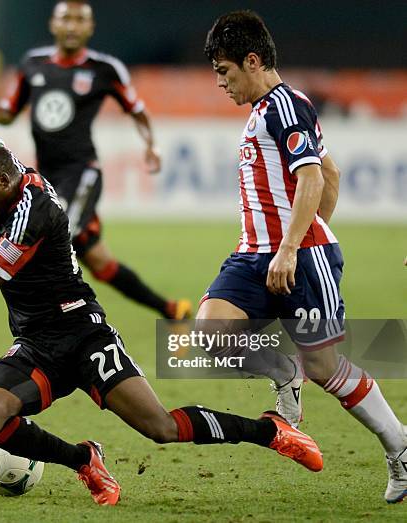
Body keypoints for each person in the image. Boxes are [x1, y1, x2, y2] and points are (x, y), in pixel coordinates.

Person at [0, 32, 325, 507]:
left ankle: (270, 432)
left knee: (160, 427)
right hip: (38, 342)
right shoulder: (5, 168)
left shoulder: (31, 215)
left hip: (83, 333)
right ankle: (84, 459)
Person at [200, 10, 406, 503]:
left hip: (298, 257)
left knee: (326, 367)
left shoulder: (285, 106)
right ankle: (282, 373)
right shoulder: (262, 111)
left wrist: (298, 244)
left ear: (253, 61)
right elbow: (330, 172)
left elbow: (314, 177)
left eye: (225, 73)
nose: (222, 85)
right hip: (253, 255)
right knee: (209, 335)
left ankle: (399, 447)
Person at [0, 0, 191, 321]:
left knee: (55, 233)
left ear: (90, 28)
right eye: (66, 19)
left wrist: (152, 146)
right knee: (98, 260)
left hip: (82, 172)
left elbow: (137, 111)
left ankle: (73, 320)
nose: (72, 26)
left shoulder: (104, 69)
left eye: (80, 20)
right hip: (46, 177)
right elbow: (12, 110)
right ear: (53, 24)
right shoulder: (33, 64)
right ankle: (169, 309)